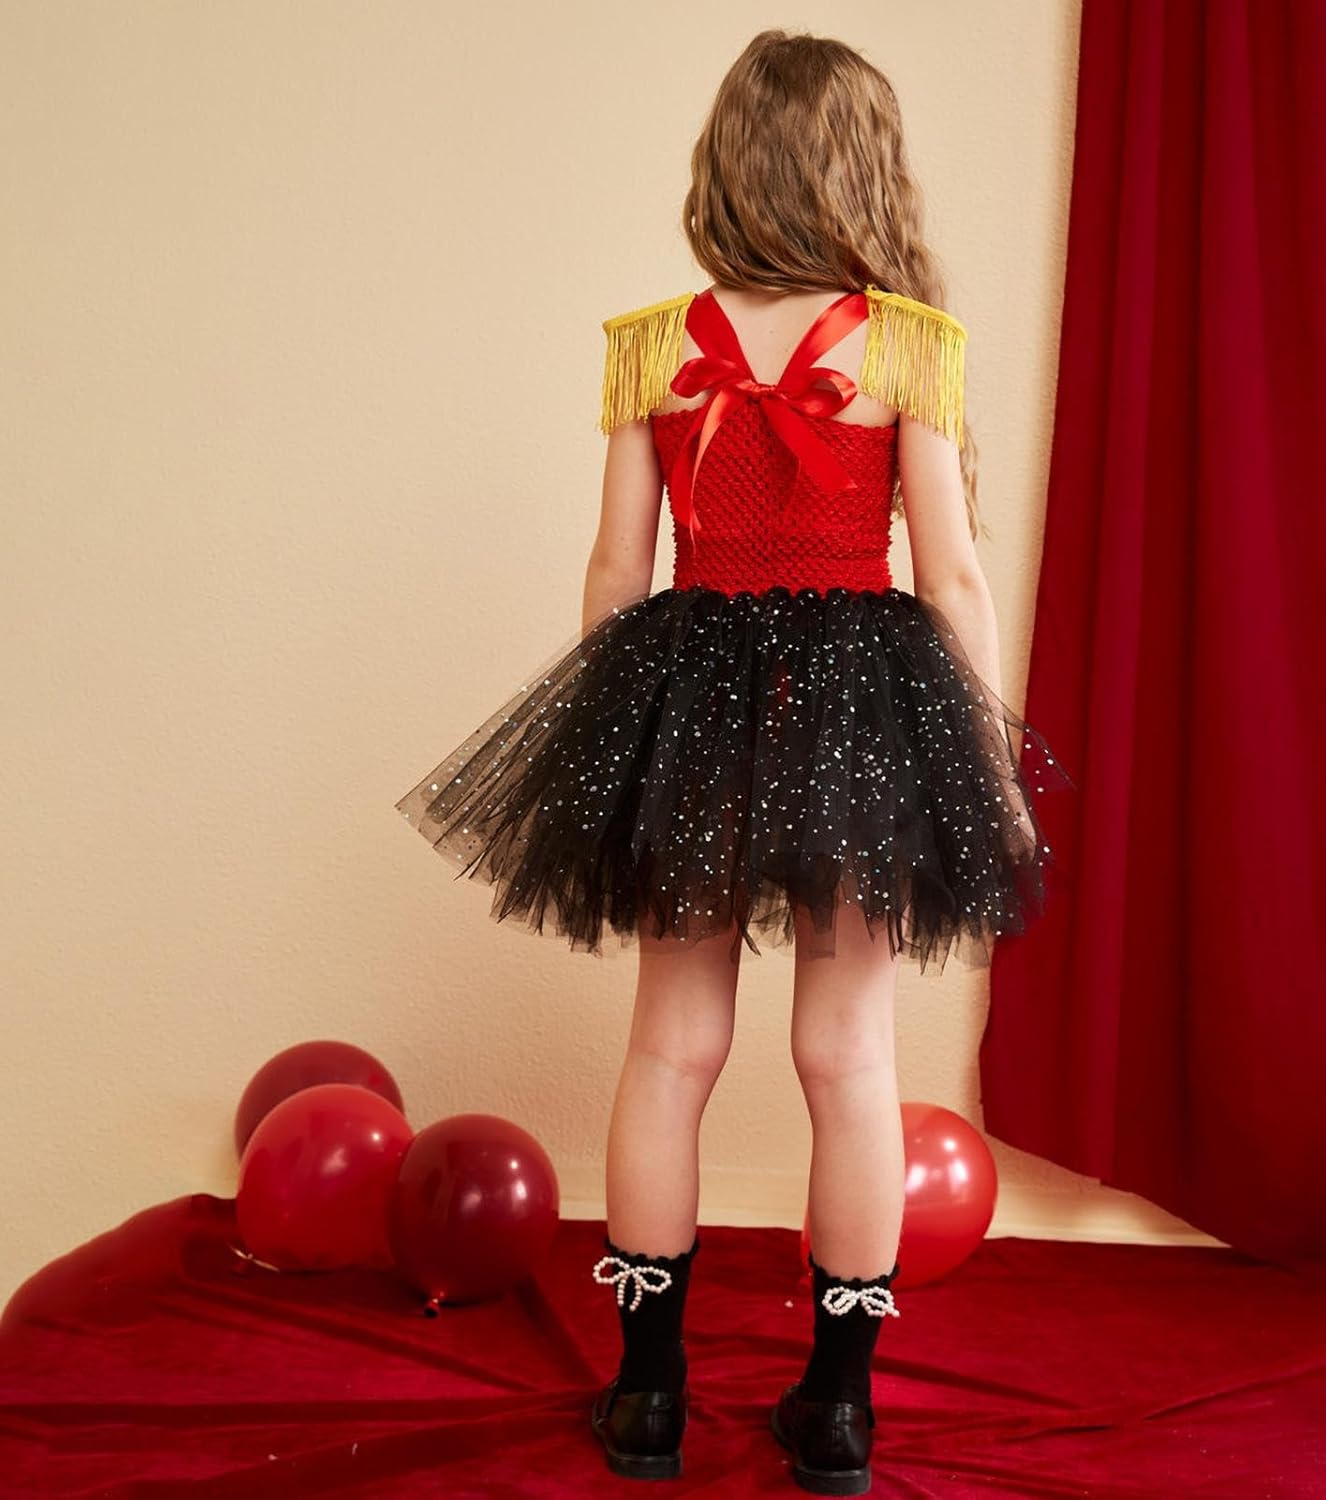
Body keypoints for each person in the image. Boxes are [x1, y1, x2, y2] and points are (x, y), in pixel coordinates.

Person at [394, 27, 1069, 1496]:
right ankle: (839, 1408)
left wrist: (608, 736)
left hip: (692, 701)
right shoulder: (906, 346)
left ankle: (648, 1396)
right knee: (852, 1054)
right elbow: (951, 576)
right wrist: (984, 753)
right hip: (861, 711)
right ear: (866, 174)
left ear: (725, 168)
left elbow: (614, 568)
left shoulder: (657, 345)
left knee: (670, 1047)